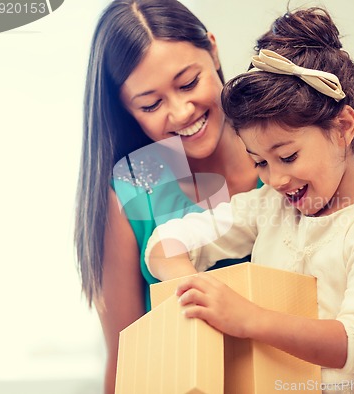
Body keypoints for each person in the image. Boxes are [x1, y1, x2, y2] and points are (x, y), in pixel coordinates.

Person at [145, 7, 354, 394]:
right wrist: (195, 289)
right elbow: (166, 242)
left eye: (288, 156)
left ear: (343, 127)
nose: (275, 179)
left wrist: (248, 318)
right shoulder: (268, 208)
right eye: (259, 162)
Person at [74, 0, 261, 392]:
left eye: (189, 83)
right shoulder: (132, 193)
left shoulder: (284, 155)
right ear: (128, 110)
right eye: (151, 104)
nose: (180, 112)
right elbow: (126, 362)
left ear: (213, 49)